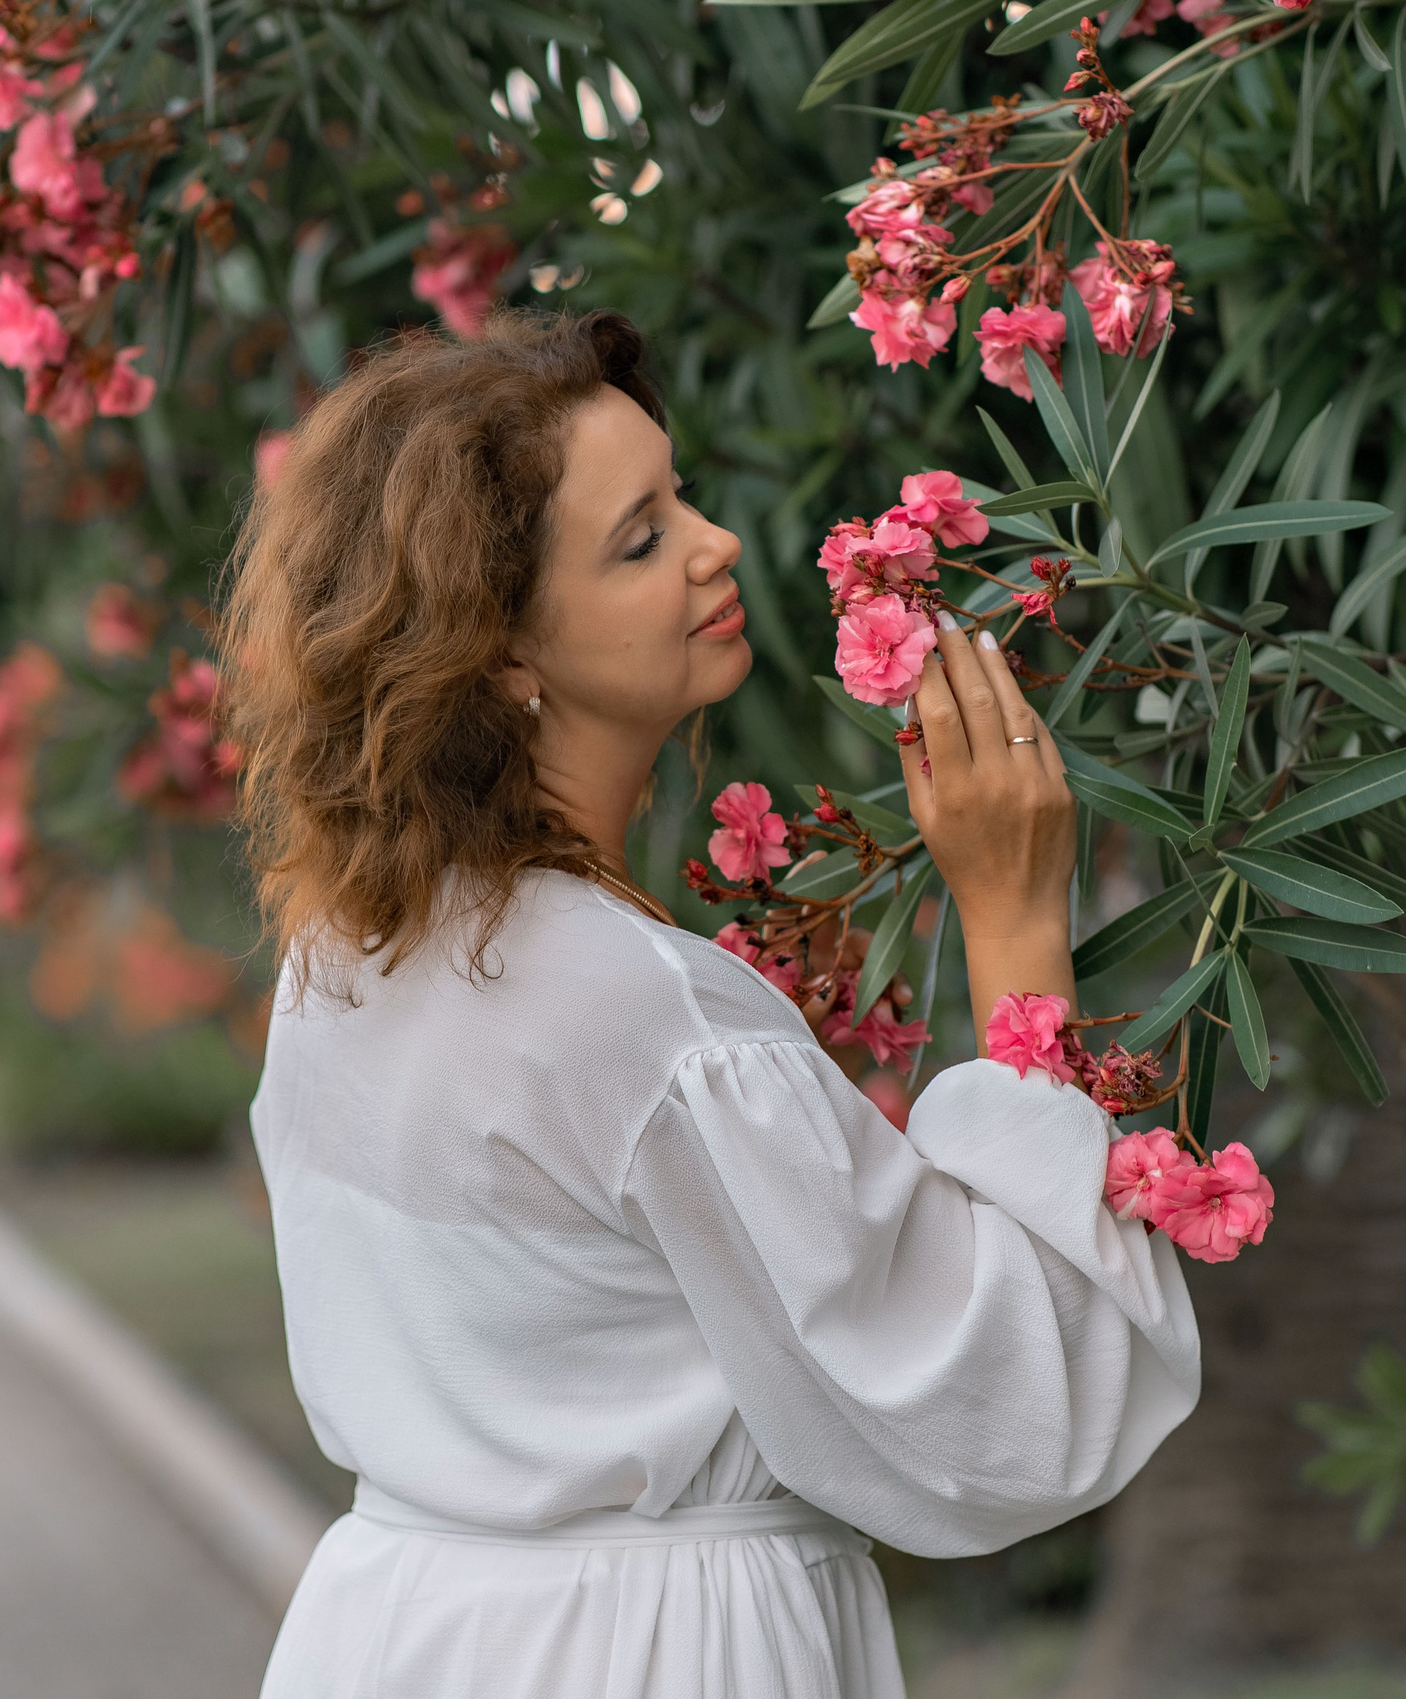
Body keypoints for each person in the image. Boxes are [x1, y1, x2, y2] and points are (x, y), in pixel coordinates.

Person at [217, 309, 1198, 1699]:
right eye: (639, 539)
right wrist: (1018, 923)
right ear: (505, 655)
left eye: (676, 495)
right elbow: (1004, 1419)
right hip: (651, 1653)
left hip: (398, 1632)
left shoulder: (344, 961)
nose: (714, 542)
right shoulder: (644, 1015)